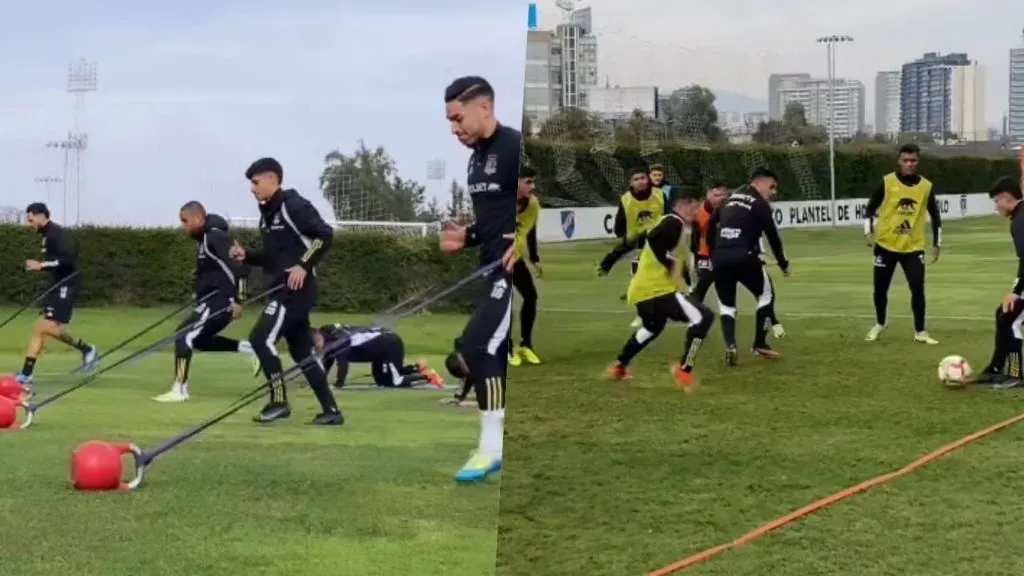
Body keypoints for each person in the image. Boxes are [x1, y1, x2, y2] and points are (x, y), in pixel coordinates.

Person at [440, 75, 515, 483]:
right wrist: (466, 237)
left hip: (510, 273)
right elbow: (493, 222)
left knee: (477, 346)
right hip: (489, 268)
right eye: (450, 122)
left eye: (457, 118)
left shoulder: (514, 147)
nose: (454, 129)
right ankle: (492, 446)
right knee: (491, 354)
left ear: (483, 107)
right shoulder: (474, 159)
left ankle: (491, 449)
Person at [229, 157, 343, 425]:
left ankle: (279, 401)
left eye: (255, 182)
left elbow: (324, 234)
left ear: (272, 179)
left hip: (295, 291)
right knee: (302, 352)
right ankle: (332, 411)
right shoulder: (267, 215)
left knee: (260, 339)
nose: (252, 188)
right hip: (281, 288)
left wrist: (304, 265)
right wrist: (247, 256)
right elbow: (273, 258)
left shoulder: (292, 205)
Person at [607, 192, 715, 390]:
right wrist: (670, 263)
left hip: (641, 290)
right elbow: (655, 239)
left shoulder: (667, 221)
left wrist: (609, 260)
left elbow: (639, 239)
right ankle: (684, 369)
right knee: (703, 317)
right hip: (657, 290)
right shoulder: (674, 222)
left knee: (651, 328)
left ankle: (619, 366)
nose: (696, 211)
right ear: (683, 205)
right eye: (694, 207)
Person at [153, 205, 257, 403]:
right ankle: (249, 348)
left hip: (219, 301)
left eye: (185, 221)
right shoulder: (205, 240)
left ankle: (180, 389)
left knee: (183, 335)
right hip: (210, 300)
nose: (183, 226)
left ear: (199, 218)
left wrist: (237, 300)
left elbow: (238, 267)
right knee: (200, 340)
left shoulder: (214, 237)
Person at [707, 168, 789, 365]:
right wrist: (783, 263)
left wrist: (713, 254)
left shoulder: (728, 200)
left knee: (727, 305)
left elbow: (710, 225)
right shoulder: (760, 204)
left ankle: (730, 344)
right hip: (744, 256)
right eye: (772, 187)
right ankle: (760, 343)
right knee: (766, 295)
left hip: (720, 258)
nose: (773, 192)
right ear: (759, 183)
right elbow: (772, 236)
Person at [862, 143, 942, 345]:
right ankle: (880, 323)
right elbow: (870, 208)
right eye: (905, 160)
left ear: (918, 162)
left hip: (913, 248)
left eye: (913, 160)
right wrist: (867, 231)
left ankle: (920, 331)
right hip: (885, 245)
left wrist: (937, 243)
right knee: (880, 289)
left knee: (917, 288)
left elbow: (935, 215)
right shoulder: (887, 182)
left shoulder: (926, 186)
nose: (909, 164)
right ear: (899, 161)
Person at [14, 203, 98, 395]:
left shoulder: (57, 233)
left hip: (67, 285)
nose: (29, 224)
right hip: (56, 285)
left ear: (42, 215)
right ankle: (26, 374)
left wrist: (41, 265)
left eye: (31, 219)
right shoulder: (46, 235)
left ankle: (87, 349)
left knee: (46, 327)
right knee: (39, 328)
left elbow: (67, 261)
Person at [597, 167, 666, 327]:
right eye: (636, 179)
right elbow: (619, 228)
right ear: (631, 183)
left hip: (659, 245)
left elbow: (670, 216)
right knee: (638, 282)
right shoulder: (626, 200)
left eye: (642, 178)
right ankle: (641, 315)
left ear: (647, 179)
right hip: (638, 248)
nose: (640, 181)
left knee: (662, 280)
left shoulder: (660, 195)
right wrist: (628, 239)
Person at [972, 177, 1024, 388]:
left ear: (1006, 198)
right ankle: (995, 368)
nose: (996, 207)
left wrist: (1016, 291)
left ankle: (1015, 374)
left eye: (997, 201)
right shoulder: (1020, 216)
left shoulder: (1020, 221)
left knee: (1011, 319)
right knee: (1002, 314)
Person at [312, 323, 443, 389]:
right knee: (381, 381)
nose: (316, 349)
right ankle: (417, 367)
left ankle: (428, 376)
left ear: (319, 338)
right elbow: (328, 359)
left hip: (389, 344)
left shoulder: (338, 340)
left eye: (315, 345)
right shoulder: (328, 336)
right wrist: (320, 382)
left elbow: (343, 364)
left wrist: (338, 385)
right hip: (377, 349)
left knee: (394, 382)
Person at [509, 165, 541, 367]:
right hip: (497, 259)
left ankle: (526, 345)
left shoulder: (533, 204)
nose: (533, 186)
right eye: (528, 181)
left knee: (531, 297)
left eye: (533, 181)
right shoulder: (501, 201)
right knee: (505, 304)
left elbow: (530, 230)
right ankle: (507, 347)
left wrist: (535, 258)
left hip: (517, 257)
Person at [686, 180, 729, 303]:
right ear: (708, 194)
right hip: (705, 252)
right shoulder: (698, 212)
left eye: (722, 195)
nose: (720, 199)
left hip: (725, 250)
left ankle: (727, 305)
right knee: (706, 278)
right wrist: (695, 258)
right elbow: (693, 237)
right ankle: (694, 302)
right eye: (716, 196)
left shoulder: (730, 209)